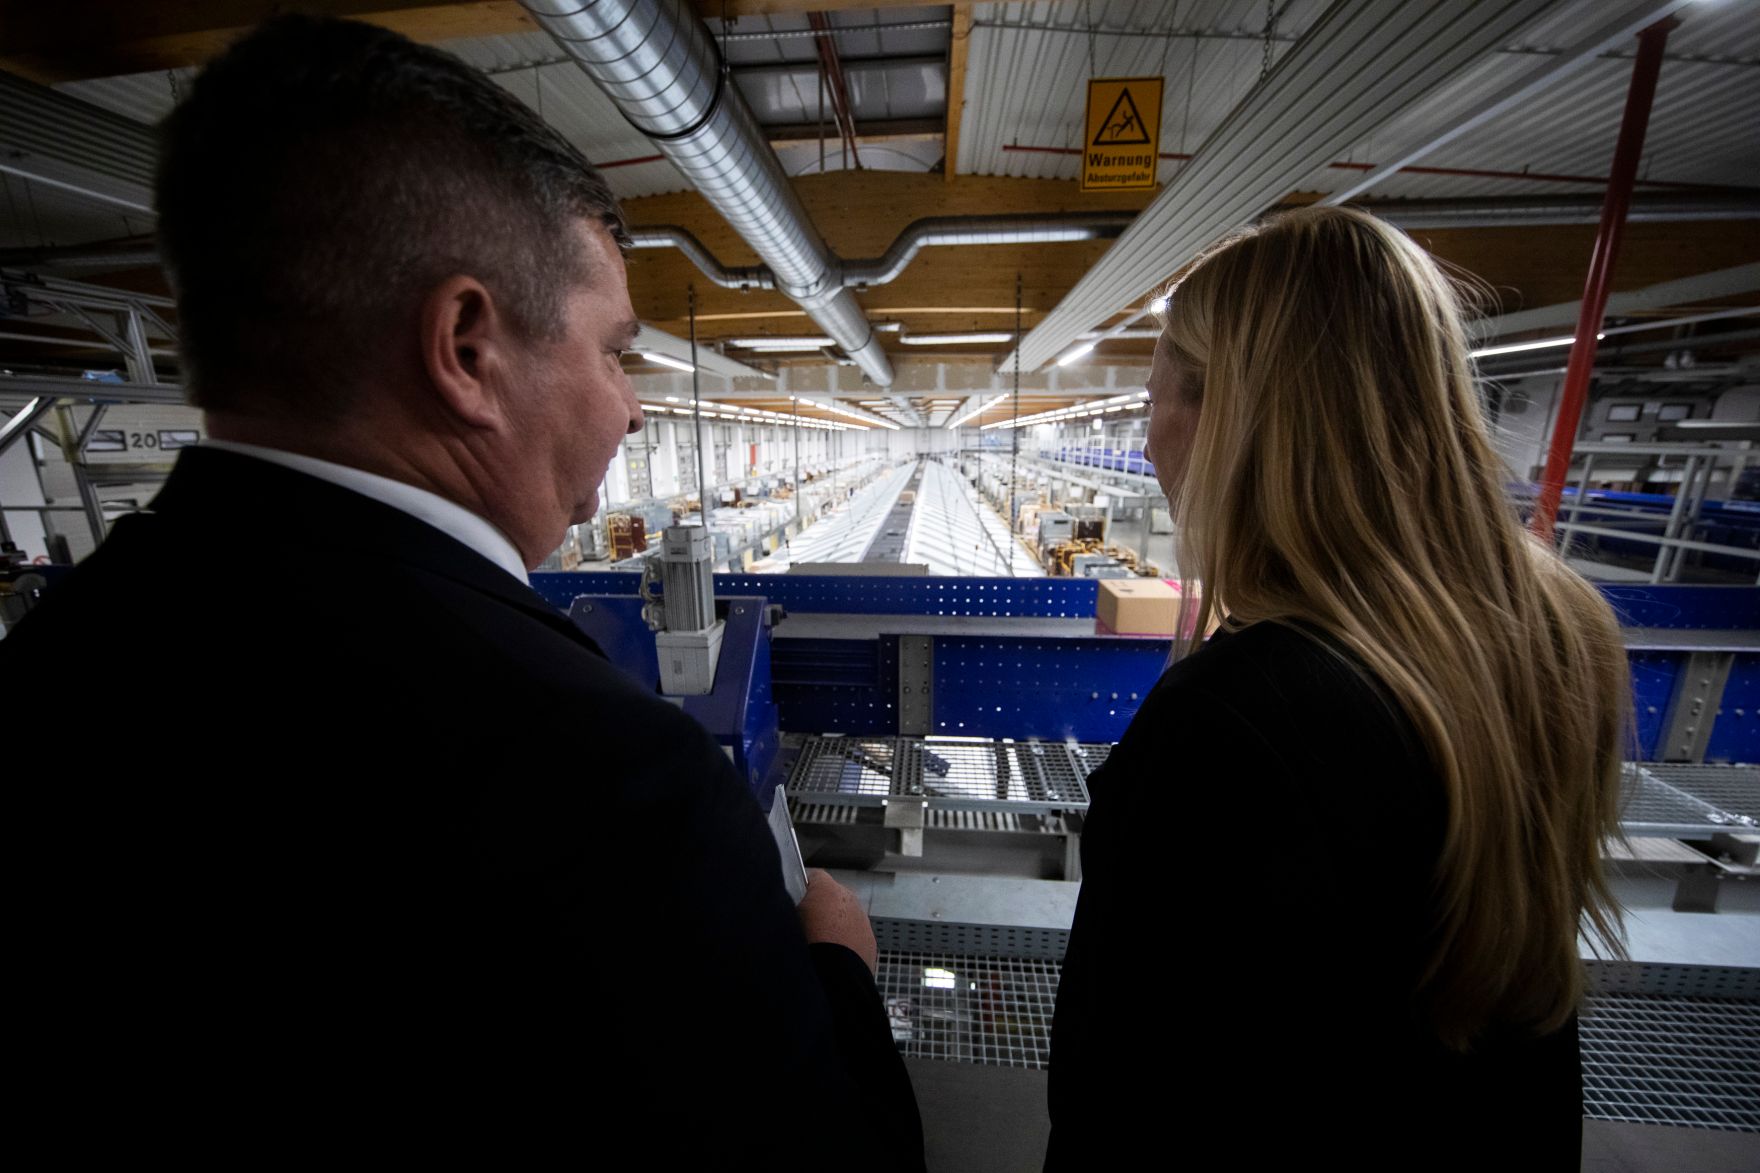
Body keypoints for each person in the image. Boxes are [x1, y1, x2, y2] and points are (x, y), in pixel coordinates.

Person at [3, 16, 923, 1167]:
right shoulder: (612, 789)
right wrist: (838, 967)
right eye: (614, 352)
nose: (629, 407)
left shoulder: (55, 662)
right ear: (467, 349)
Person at [1045, 207, 1628, 1168]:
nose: (1148, 447)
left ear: (1238, 420)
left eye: (1159, 403)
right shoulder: (1554, 639)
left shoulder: (1232, 720)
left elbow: (1119, 1103)